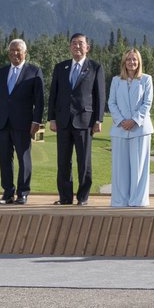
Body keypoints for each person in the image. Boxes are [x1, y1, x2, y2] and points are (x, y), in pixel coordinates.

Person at [48, 33, 106, 206]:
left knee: (84, 161)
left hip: (85, 121)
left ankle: (83, 197)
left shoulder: (95, 67)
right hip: (63, 121)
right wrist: (51, 118)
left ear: (87, 47)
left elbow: (100, 96)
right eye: (74, 43)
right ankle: (65, 197)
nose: (77, 46)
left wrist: (99, 120)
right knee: (63, 161)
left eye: (81, 43)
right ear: (69, 47)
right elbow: (53, 95)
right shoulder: (60, 67)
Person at [0, 38, 44, 205]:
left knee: (24, 158)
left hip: (24, 123)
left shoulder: (34, 72)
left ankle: (23, 193)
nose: (14, 53)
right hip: (3, 123)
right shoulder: (1, 72)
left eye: (18, 50)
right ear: (8, 53)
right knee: (5, 159)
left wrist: (36, 121)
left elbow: (40, 100)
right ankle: (7, 193)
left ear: (25, 53)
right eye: (12, 50)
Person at [108, 47, 154, 207]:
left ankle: (138, 200)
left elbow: (147, 103)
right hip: (120, 129)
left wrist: (134, 120)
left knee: (139, 167)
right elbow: (111, 103)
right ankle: (119, 200)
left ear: (139, 62)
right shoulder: (115, 80)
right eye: (128, 59)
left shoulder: (146, 79)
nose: (131, 62)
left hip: (140, 129)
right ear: (124, 62)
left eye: (134, 59)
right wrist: (121, 120)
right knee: (120, 168)